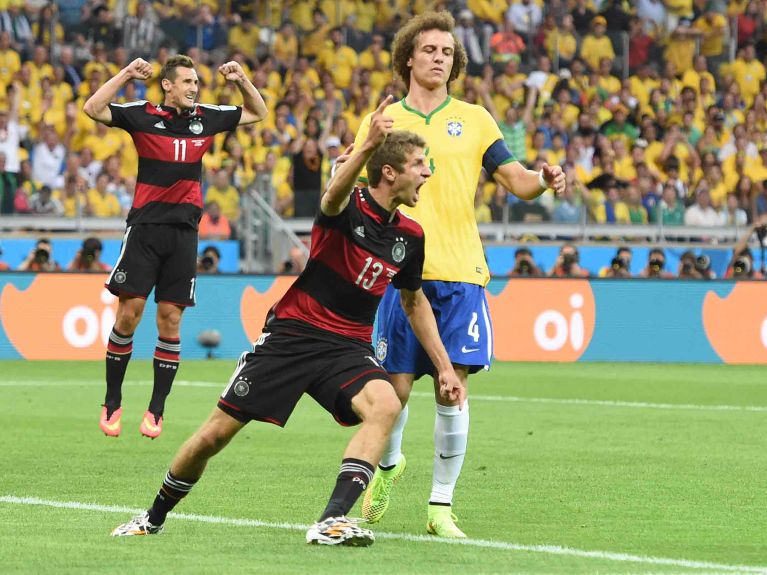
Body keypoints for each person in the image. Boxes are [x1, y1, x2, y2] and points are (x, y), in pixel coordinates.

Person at [109, 109, 462, 547]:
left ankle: (332, 520)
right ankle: (152, 516)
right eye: (419, 165)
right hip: (293, 336)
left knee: (386, 404)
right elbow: (332, 195)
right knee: (215, 434)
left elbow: (414, 301)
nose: (428, 173)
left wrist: (444, 366)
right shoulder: (345, 209)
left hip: (347, 345)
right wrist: (367, 146)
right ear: (389, 172)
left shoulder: (411, 235)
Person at [352, 11, 565, 538]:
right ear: (408, 58)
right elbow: (354, 188)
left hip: (460, 271)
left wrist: (544, 178)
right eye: (429, 50)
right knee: (391, 392)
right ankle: (389, 464)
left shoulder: (475, 119)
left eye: (447, 52)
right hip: (397, 274)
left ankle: (440, 508)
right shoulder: (383, 119)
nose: (439, 58)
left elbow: (514, 178)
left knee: (454, 389)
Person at [83, 54, 267, 439]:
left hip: (184, 234)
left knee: (170, 319)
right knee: (129, 315)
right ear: (167, 85)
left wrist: (241, 79)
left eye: (196, 82)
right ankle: (112, 400)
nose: (194, 88)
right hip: (145, 230)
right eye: (186, 82)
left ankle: (156, 411)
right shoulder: (141, 114)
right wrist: (127, 74)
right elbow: (93, 108)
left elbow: (258, 112)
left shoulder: (207, 117)